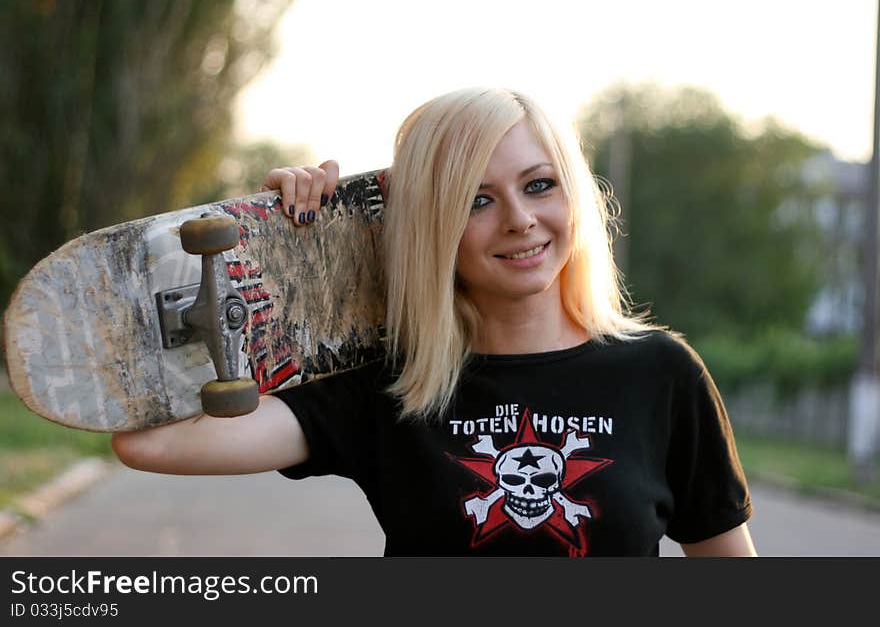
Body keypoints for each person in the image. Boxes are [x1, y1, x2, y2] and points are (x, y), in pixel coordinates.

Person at [112, 87, 757, 557]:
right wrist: (281, 261)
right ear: (432, 228)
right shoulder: (392, 382)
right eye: (477, 200)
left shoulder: (660, 373)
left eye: (539, 185)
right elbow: (148, 442)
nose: (519, 219)